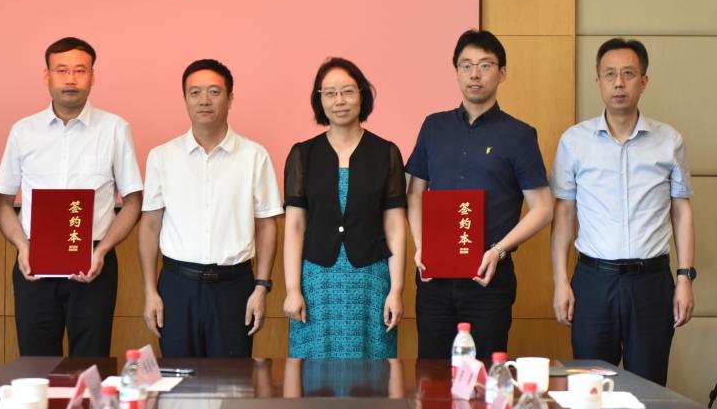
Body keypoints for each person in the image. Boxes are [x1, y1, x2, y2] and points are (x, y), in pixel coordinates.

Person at [550, 38, 695, 386]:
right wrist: (560, 281)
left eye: (628, 74)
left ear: (643, 81)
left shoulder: (669, 141)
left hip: (651, 282)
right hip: (593, 281)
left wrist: (684, 278)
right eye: (610, 74)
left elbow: (682, 211)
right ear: (598, 81)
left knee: (648, 387)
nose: (619, 83)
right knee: (588, 388)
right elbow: (564, 215)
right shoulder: (574, 141)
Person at [406, 29, 552, 360]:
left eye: (485, 65)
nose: (475, 74)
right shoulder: (433, 127)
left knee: (485, 374)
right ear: (456, 70)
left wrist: (498, 250)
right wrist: (422, 244)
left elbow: (543, 208)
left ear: (502, 73)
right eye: (466, 65)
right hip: (434, 277)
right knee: (432, 373)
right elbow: (414, 194)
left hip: (489, 277)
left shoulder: (519, 135)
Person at [0, 37, 142, 357]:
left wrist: (103, 250)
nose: (71, 79)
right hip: (34, 262)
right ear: (46, 76)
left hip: (93, 262)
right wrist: (22, 246)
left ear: (93, 77)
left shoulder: (115, 128)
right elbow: (3, 203)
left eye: (80, 70)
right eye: (61, 70)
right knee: (35, 364)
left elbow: (133, 200)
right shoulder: (23, 131)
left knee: (90, 362)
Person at [139, 59, 283, 357]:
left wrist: (261, 288)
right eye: (195, 93)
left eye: (214, 92)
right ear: (185, 99)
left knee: (232, 381)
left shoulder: (254, 156)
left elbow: (267, 225)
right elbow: (150, 225)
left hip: (234, 288)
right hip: (177, 287)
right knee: (178, 379)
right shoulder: (162, 157)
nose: (204, 100)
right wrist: (150, 291)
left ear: (230, 98)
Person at [282, 57, 406, 358]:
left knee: (373, 366)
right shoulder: (303, 154)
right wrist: (292, 289)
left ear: (362, 95)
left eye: (348, 91)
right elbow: (295, 226)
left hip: (371, 280)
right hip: (316, 282)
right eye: (330, 93)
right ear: (320, 100)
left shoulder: (386, 152)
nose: (339, 100)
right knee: (313, 367)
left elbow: (394, 226)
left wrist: (396, 290)